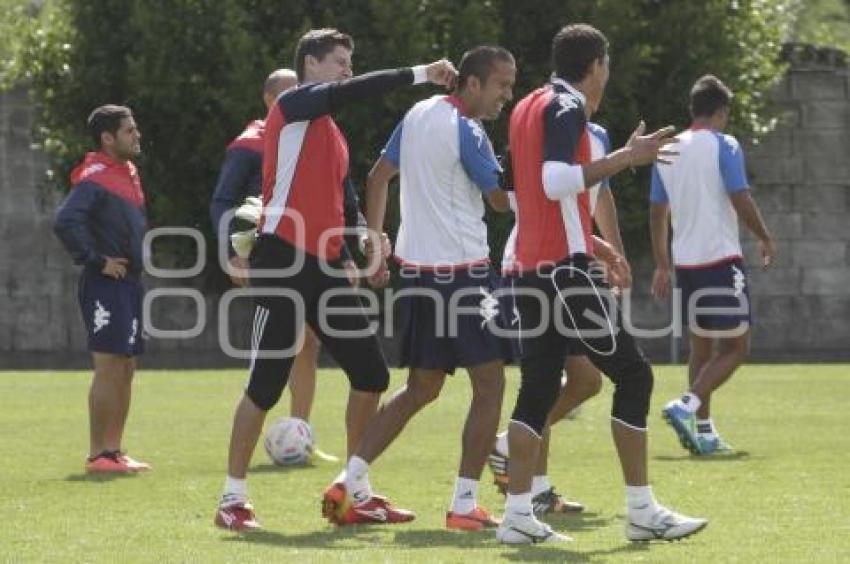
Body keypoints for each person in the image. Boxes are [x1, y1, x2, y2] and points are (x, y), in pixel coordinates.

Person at [213, 27, 457, 531]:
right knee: (266, 382)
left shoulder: (331, 132)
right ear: (311, 65)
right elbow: (352, 92)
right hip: (281, 256)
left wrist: (354, 251)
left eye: (350, 61)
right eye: (340, 61)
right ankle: (231, 500)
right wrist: (420, 74)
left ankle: (354, 492)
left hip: (323, 265)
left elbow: (340, 196)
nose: (347, 69)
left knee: (371, 374)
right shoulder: (295, 104)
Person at [497, 23, 708, 544]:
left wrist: (593, 243)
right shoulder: (567, 108)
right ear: (596, 66)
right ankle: (641, 511)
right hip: (563, 272)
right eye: (607, 66)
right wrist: (625, 159)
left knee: (538, 389)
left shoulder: (526, 105)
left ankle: (517, 517)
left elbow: (510, 190)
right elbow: (552, 182)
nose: (607, 76)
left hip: (528, 268)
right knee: (634, 376)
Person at [322, 46, 515, 531]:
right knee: (490, 383)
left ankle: (348, 480)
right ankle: (464, 505)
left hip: (417, 277)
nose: (505, 98)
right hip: (465, 276)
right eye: (501, 86)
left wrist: (376, 244)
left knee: (420, 387)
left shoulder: (415, 113)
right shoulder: (468, 129)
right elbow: (499, 200)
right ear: (471, 83)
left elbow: (377, 177)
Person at [210, 68, 366, 454]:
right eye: (290, 92)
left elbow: (337, 203)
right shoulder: (250, 144)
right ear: (270, 100)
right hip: (275, 254)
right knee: (276, 353)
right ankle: (243, 462)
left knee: (310, 343)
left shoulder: (322, 139)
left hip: (315, 255)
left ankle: (300, 432)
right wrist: (232, 252)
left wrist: (345, 253)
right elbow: (223, 201)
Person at [489, 118, 629, 515]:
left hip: (574, 261)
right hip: (540, 264)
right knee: (559, 381)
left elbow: (597, 197)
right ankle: (529, 481)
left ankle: (520, 465)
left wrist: (611, 251)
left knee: (578, 381)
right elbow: (512, 197)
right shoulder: (547, 128)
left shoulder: (598, 134)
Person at [652, 75, 775, 455]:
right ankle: (686, 405)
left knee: (701, 351)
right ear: (720, 112)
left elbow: (658, 212)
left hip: (686, 265)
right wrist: (764, 236)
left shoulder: (665, 149)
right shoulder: (724, 144)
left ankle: (703, 431)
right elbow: (740, 196)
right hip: (721, 260)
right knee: (737, 347)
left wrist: (662, 264)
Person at [54, 105, 151, 474]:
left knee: (126, 367)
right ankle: (98, 455)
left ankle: (115, 451)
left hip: (129, 283)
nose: (136, 135)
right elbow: (65, 221)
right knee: (108, 366)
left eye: (135, 128)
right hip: (105, 284)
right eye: (129, 131)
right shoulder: (95, 176)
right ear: (107, 138)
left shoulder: (127, 171)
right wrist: (96, 260)